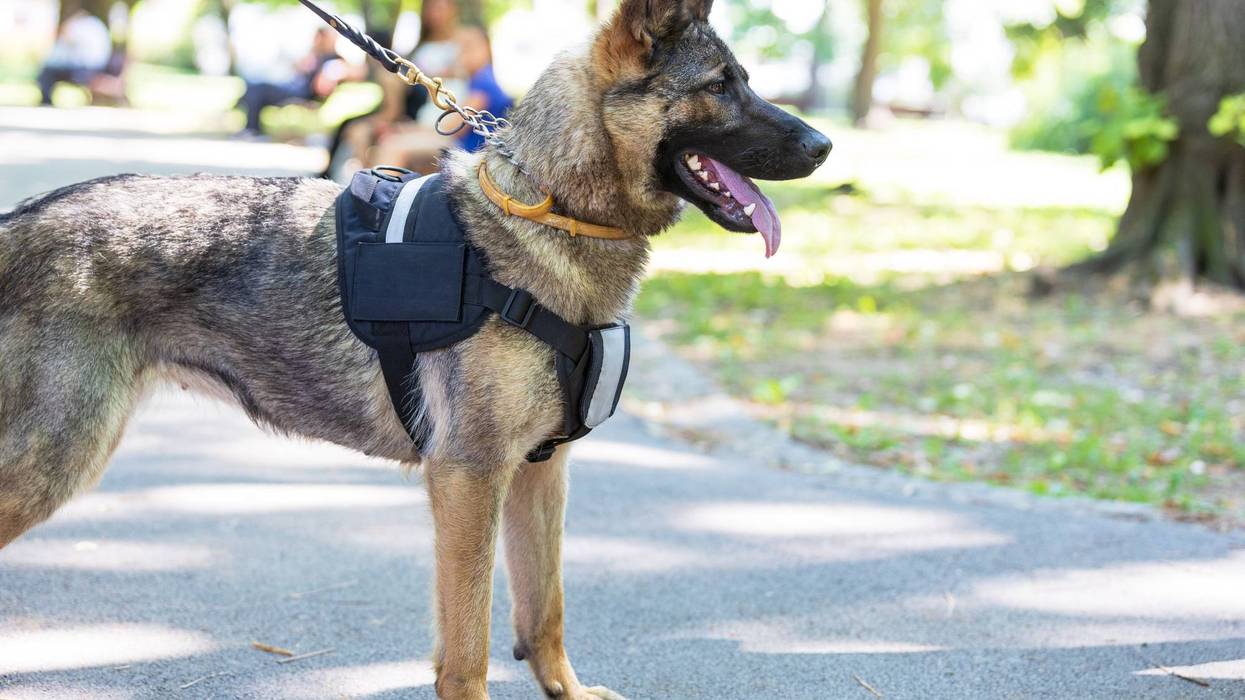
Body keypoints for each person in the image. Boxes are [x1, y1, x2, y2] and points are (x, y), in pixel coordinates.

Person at [237, 27, 356, 138]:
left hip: (302, 93)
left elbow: (324, 86)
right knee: (254, 85)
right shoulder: (315, 56)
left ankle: (251, 126)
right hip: (294, 87)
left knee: (259, 88)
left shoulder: (333, 60)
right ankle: (250, 124)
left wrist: (329, 74)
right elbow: (297, 69)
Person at [37, 10, 112, 106]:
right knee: (50, 69)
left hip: (85, 68)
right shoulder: (96, 25)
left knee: (48, 71)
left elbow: (69, 46)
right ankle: (46, 100)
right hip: (96, 67)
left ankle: (46, 102)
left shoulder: (82, 26)